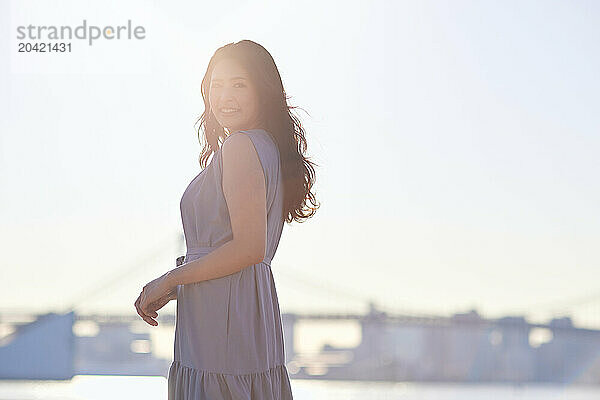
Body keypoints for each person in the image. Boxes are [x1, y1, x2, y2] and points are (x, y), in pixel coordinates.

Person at [133, 40, 320, 399]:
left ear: (262, 90)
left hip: (222, 321)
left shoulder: (240, 147)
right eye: (216, 85)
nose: (224, 96)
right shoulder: (267, 147)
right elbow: (243, 248)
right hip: (242, 309)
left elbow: (249, 247)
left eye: (239, 84)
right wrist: (182, 283)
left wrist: (168, 278)